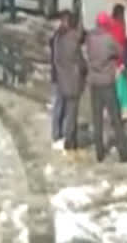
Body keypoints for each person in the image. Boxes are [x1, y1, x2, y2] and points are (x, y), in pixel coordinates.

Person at [85, 12, 127, 163]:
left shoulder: (90, 38)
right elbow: (121, 51)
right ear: (106, 25)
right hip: (107, 83)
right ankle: (123, 153)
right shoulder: (108, 39)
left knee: (97, 119)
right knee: (116, 119)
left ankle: (99, 153)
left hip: (94, 83)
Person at [53, 12, 86, 152]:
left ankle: (56, 135)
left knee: (59, 108)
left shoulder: (58, 38)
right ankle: (70, 142)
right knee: (72, 113)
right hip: (73, 82)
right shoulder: (73, 41)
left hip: (61, 79)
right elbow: (81, 63)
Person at [50, 11, 71, 148]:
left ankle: (59, 134)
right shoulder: (60, 37)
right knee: (60, 105)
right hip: (60, 76)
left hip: (59, 76)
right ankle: (57, 135)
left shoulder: (57, 36)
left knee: (61, 105)